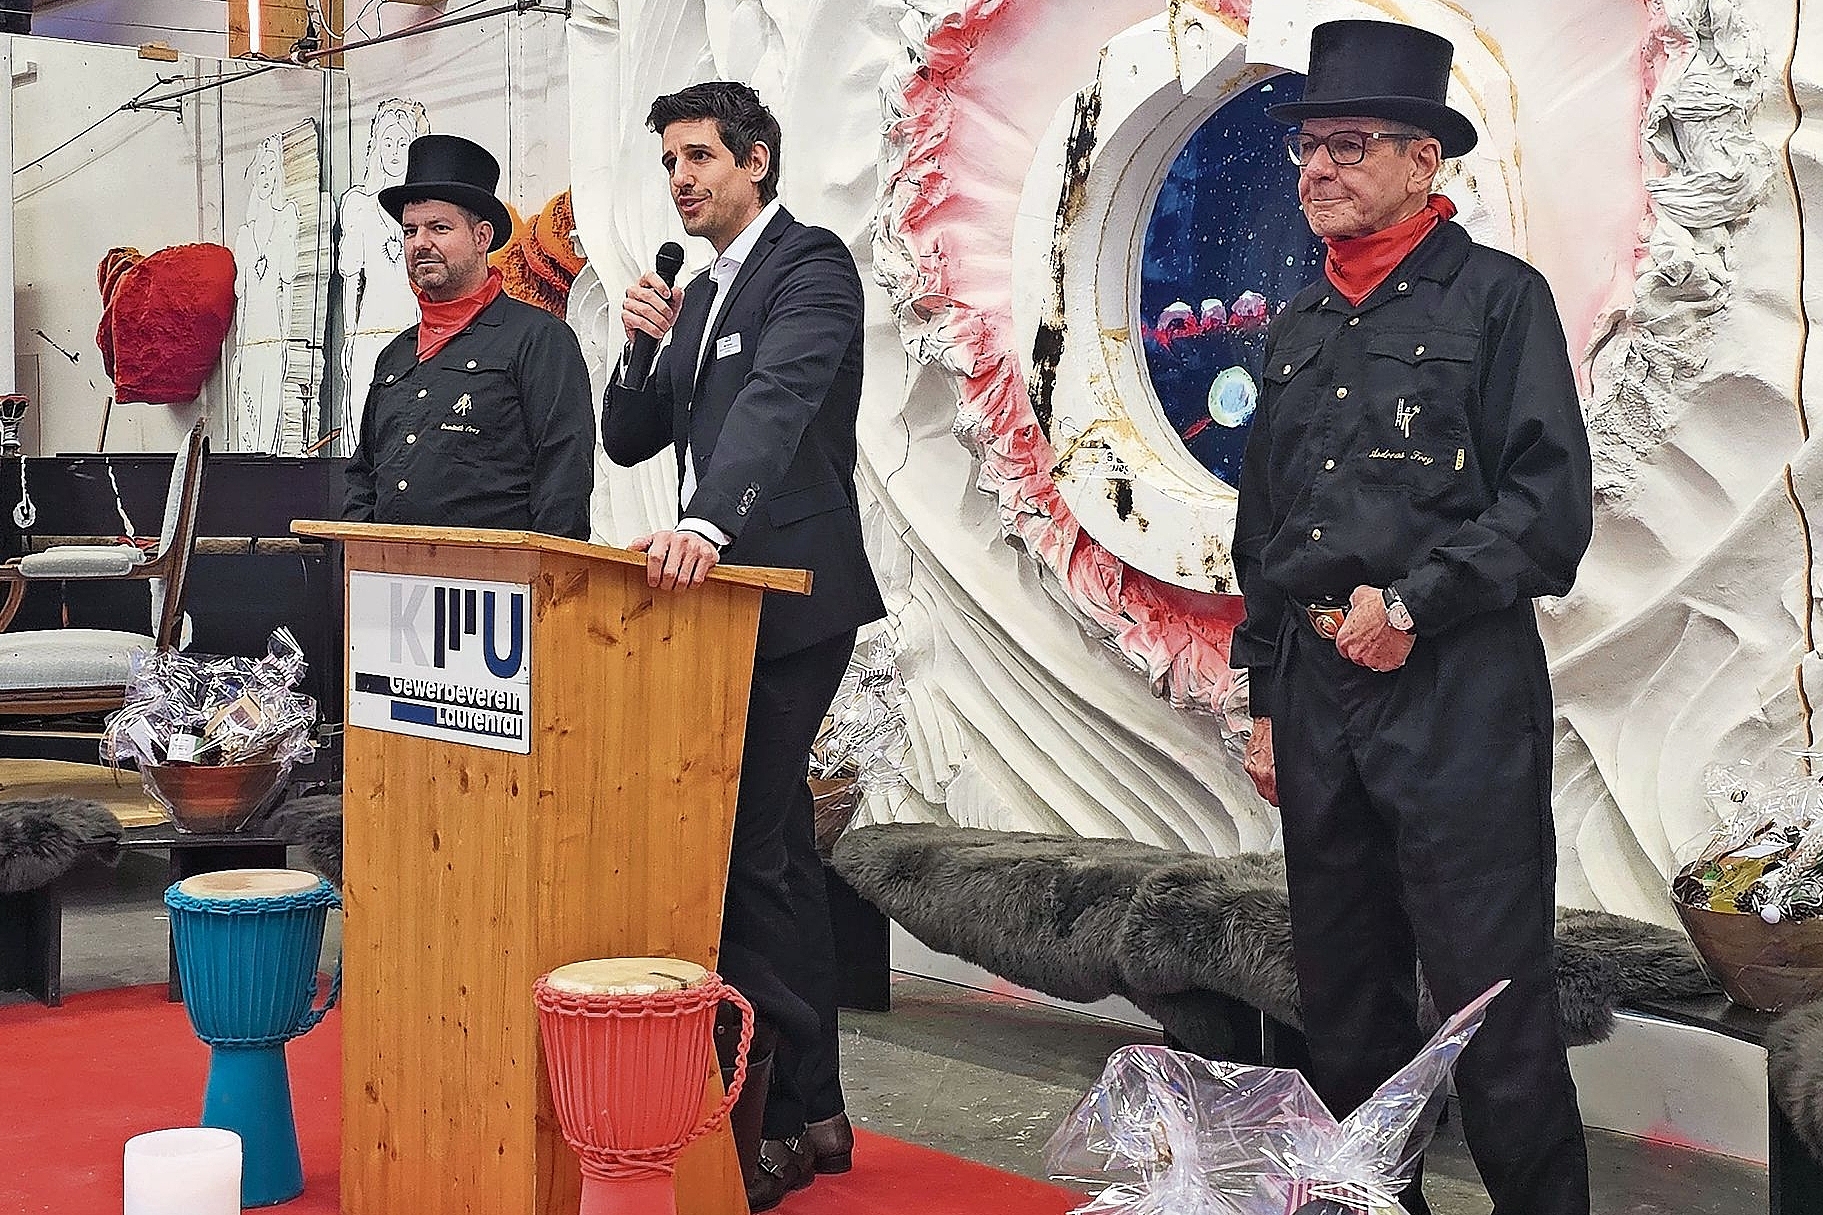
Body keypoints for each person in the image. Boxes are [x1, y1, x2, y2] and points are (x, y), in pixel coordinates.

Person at [1231, 20, 1593, 1215]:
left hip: (1454, 687)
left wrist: (1410, 603)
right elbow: (1264, 532)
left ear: (1419, 161)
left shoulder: (1497, 302)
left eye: (1344, 146)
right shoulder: (1293, 328)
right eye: (1304, 149)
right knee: (1339, 993)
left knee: (1490, 999)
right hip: (1314, 688)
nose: (1313, 170)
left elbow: (1547, 511)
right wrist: (1261, 698)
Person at [600, 80, 885, 1211]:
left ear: (756, 161)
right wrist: (635, 349)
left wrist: (709, 524)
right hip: (716, 609)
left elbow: (777, 401)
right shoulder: (702, 290)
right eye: (669, 160)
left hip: (789, 599)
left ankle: (775, 1114)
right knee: (750, 849)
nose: (681, 178)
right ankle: (811, 1103)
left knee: (754, 849)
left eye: (700, 157)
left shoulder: (807, 268)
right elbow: (631, 438)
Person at [342, 133, 594, 539]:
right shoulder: (395, 355)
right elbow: (363, 474)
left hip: (495, 590)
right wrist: (354, 554)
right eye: (410, 231)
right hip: (389, 585)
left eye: (439, 228)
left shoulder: (540, 339)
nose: (420, 243)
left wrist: (547, 584)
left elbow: (564, 475)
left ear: (482, 238)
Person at [336, 97, 431, 457]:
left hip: (411, 323)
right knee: (363, 420)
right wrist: (348, 335)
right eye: (387, 142)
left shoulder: (425, 210)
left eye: (402, 143)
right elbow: (350, 278)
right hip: (369, 328)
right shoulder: (358, 204)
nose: (394, 152)